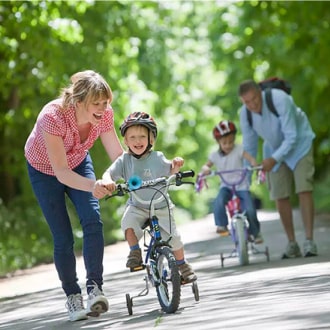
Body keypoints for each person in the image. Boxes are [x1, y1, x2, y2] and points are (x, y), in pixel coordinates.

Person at [24, 70, 124, 321]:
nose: (103, 108)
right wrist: (94, 185)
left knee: (92, 220)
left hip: (78, 162)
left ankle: (94, 289)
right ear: (79, 102)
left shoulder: (104, 114)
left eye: (106, 102)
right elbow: (61, 172)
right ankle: (72, 296)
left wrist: (135, 174)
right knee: (63, 237)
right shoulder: (52, 117)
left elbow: (117, 155)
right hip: (45, 170)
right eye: (97, 103)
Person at [101, 111, 197, 283]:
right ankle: (135, 252)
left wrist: (175, 165)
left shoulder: (157, 157)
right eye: (133, 137)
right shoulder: (124, 160)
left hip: (160, 205)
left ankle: (182, 265)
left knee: (173, 237)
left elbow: (171, 169)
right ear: (126, 141)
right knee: (127, 223)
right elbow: (109, 173)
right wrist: (107, 181)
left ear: (151, 139)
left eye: (142, 137)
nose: (137, 141)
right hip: (137, 206)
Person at [238, 79, 317, 258]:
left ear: (260, 92)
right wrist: (245, 180)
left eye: (254, 99)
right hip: (273, 148)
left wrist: (273, 160)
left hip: (300, 145)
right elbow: (249, 147)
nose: (252, 105)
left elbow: (292, 136)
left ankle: (309, 241)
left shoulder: (279, 99)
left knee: (304, 189)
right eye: (246, 102)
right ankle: (292, 244)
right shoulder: (245, 114)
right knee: (280, 195)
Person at [199, 120, 263, 243]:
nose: (228, 145)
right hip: (226, 186)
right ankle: (222, 225)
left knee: (250, 209)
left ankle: (256, 233)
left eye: (231, 141)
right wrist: (205, 169)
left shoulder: (239, 149)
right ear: (218, 142)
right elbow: (206, 166)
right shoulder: (214, 155)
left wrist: (254, 163)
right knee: (219, 200)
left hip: (241, 185)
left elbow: (250, 158)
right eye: (224, 143)